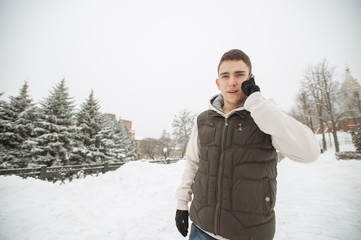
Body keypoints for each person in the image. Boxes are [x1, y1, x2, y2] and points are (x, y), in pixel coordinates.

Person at [175, 49, 320, 240]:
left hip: (250, 234)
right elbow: (193, 163)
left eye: (239, 74)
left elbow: (310, 153)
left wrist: (257, 104)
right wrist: (181, 203)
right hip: (201, 229)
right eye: (225, 76)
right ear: (218, 82)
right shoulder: (203, 120)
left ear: (251, 79)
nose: (232, 82)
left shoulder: (265, 116)